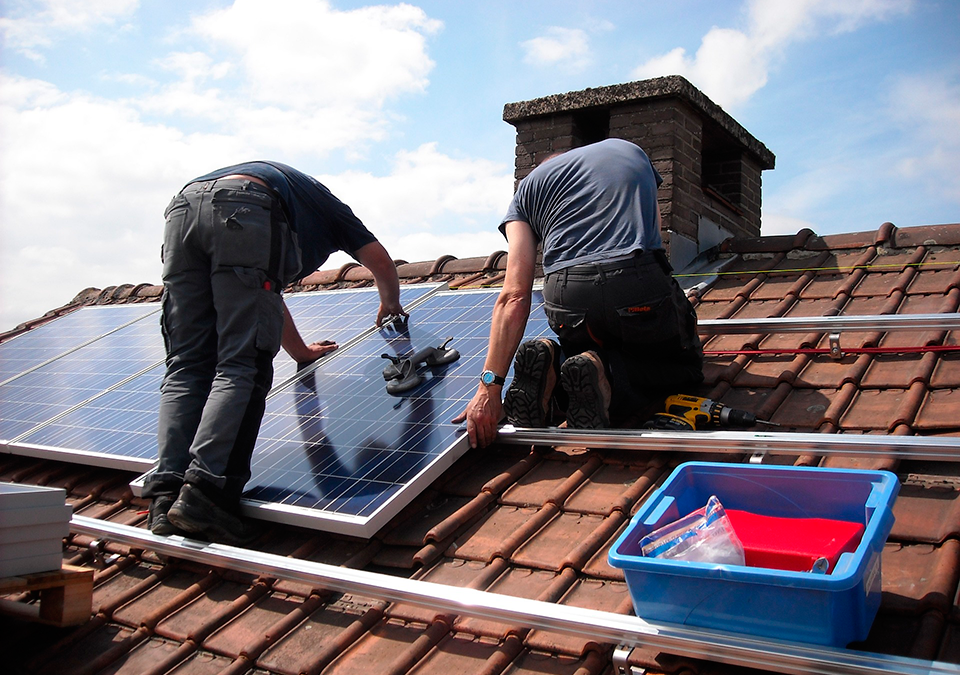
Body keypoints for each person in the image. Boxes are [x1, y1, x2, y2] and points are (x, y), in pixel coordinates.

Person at [142, 161, 406, 544]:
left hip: (183, 210)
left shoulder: (295, 199)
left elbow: (264, 297)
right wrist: (390, 303)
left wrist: (299, 351)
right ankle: (205, 494)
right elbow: (380, 262)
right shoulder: (330, 210)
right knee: (241, 366)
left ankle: (166, 498)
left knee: (186, 366)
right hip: (244, 206)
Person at [456, 138, 703, 449]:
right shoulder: (629, 150)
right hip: (635, 280)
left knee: (584, 347)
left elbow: (514, 294)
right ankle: (607, 375)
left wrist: (489, 387)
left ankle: (555, 363)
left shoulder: (525, 192)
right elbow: (655, 236)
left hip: (567, 296)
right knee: (686, 368)